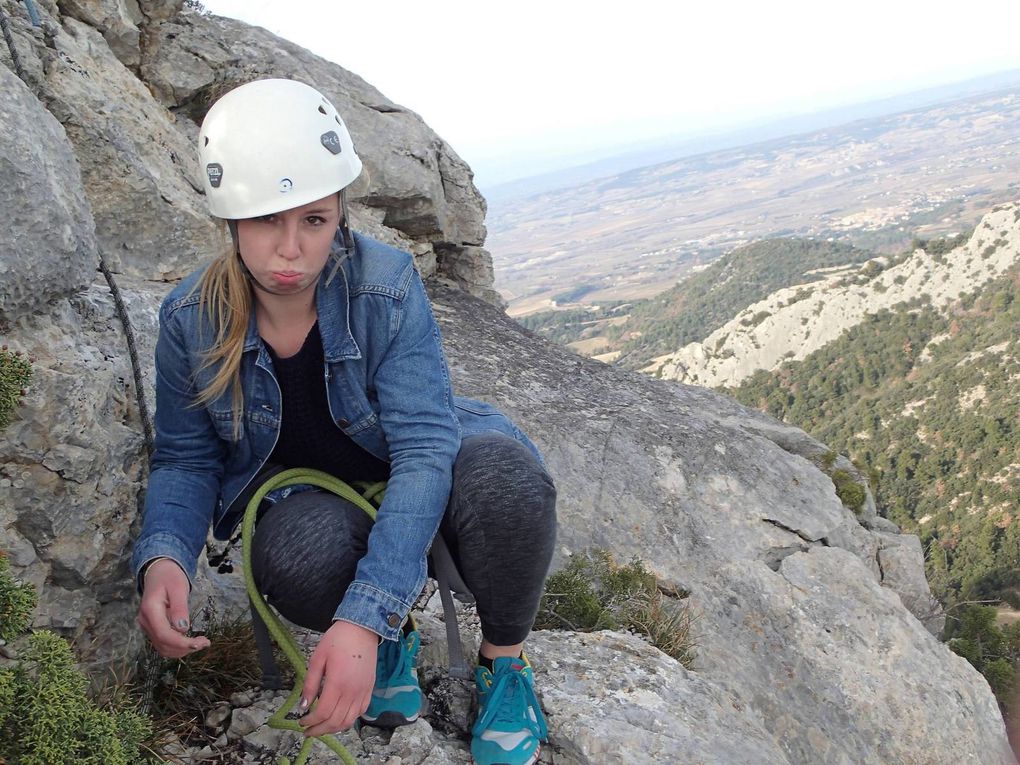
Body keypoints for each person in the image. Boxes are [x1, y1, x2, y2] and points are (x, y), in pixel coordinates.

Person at [132, 78, 557, 765]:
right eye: (267, 220)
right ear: (230, 219)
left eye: (315, 220)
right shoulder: (190, 320)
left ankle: (503, 663)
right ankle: (392, 639)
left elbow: (424, 451)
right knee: (294, 554)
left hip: (417, 467)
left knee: (507, 484)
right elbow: (185, 458)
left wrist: (362, 612)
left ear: (340, 213)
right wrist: (163, 557)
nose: (292, 249)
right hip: (317, 501)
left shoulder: (384, 285)